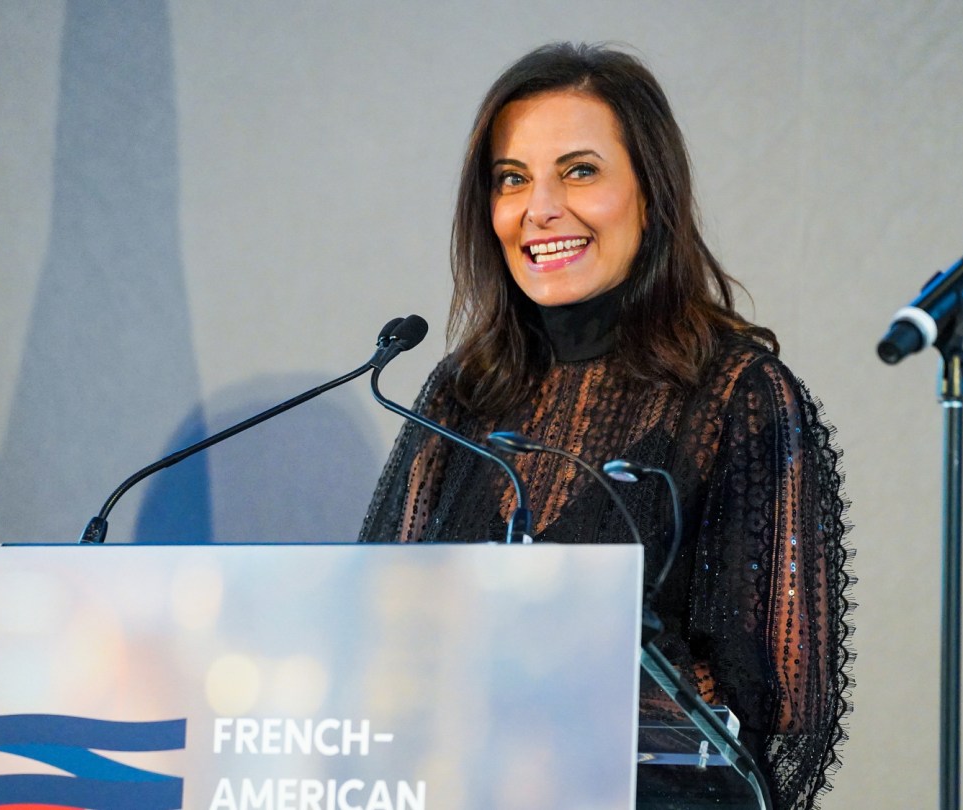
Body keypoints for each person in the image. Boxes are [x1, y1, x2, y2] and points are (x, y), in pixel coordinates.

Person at [360, 42, 852, 809]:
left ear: (651, 196)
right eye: (512, 178)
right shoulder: (463, 393)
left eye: (580, 171)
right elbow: (373, 634)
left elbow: (779, 712)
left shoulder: (735, 397)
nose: (540, 208)